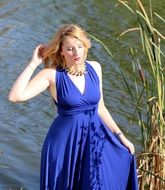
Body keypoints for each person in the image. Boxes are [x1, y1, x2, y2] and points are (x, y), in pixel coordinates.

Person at [8, 24, 138, 190]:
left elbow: (101, 109)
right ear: (61, 51)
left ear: (85, 46)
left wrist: (121, 136)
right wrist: (33, 63)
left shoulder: (95, 68)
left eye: (79, 47)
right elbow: (15, 96)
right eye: (70, 49)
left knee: (99, 182)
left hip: (93, 139)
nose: (76, 53)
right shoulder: (52, 75)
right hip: (65, 144)